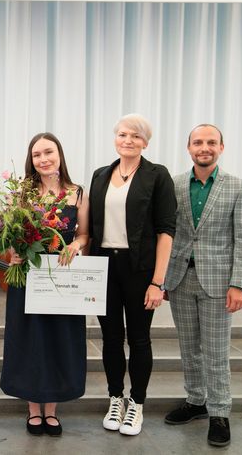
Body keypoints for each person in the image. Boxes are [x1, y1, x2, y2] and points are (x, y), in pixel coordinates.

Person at [163, 124, 242, 447]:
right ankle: (196, 400)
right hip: (179, 280)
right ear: (188, 148)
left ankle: (219, 413)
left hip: (218, 284)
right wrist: (159, 277)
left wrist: (239, 284)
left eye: (211, 142)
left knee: (216, 353)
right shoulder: (173, 185)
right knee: (189, 349)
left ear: (221, 147)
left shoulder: (238, 187)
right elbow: (165, 234)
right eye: (198, 142)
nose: (205, 147)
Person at [88, 113, 176, 436]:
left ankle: (136, 403)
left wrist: (158, 281)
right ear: (115, 138)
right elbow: (90, 227)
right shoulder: (100, 175)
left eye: (135, 136)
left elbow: (167, 230)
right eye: (123, 134)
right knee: (110, 338)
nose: (128, 140)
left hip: (140, 270)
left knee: (139, 339)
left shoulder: (157, 176)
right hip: (104, 267)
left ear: (145, 143)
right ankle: (116, 397)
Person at [1, 133, 90, 437]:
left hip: (61, 277)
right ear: (32, 160)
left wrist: (75, 246)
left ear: (60, 154)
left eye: (48, 152)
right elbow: (9, 238)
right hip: (28, 276)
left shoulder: (77, 193)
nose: (43, 159)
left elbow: (84, 235)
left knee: (57, 338)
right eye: (37, 155)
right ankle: (32, 409)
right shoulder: (21, 194)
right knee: (29, 338)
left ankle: (51, 410)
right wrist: (13, 252)